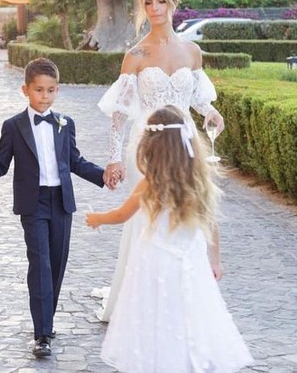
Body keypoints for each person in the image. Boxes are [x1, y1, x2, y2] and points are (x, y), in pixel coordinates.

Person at [96, 0, 225, 321]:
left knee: (187, 211)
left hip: (185, 144)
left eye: (161, 1)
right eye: (148, 2)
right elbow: (120, 115)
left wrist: (212, 114)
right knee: (148, 216)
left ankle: (186, 289)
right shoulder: (135, 55)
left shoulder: (192, 51)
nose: (155, 8)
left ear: (173, 2)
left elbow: (197, 98)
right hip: (148, 146)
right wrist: (113, 160)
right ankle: (144, 296)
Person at [87, 105, 253, 373]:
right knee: (191, 314)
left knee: (156, 315)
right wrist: (216, 261)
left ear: (151, 147)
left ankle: (159, 360)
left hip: (155, 259)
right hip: (191, 259)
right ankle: (187, 361)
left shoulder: (150, 182)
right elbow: (211, 225)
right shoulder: (198, 180)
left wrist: (97, 219)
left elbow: (122, 214)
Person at [0, 57, 106, 359]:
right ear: (26, 90)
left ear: (57, 90)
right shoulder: (13, 126)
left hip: (61, 203)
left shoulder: (65, 123)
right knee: (40, 265)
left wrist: (103, 175)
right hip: (33, 205)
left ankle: (47, 319)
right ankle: (41, 333)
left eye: (51, 91)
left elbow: (75, 162)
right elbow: (1, 164)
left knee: (56, 265)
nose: (44, 97)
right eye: (39, 90)